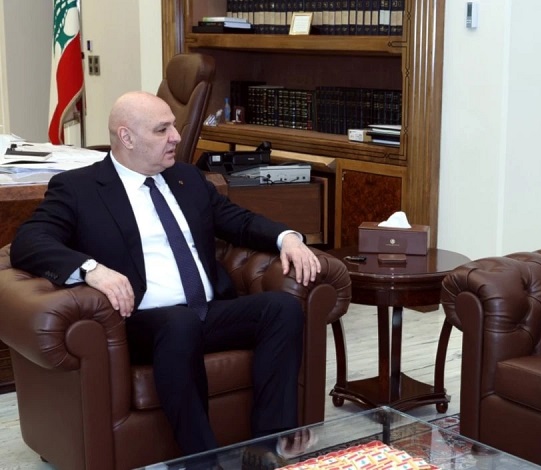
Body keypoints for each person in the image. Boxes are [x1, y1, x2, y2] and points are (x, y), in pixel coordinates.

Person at [10, 91, 321, 458]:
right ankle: (201, 462)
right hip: (142, 321)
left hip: (206, 311)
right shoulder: (80, 189)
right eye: (162, 130)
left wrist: (287, 238)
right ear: (127, 137)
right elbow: (29, 241)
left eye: (173, 126)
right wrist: (91, 270)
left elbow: (237, 220)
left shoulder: (186, 178)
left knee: (281, 309)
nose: (175, 137)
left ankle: (267, 448)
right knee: (178, 324)